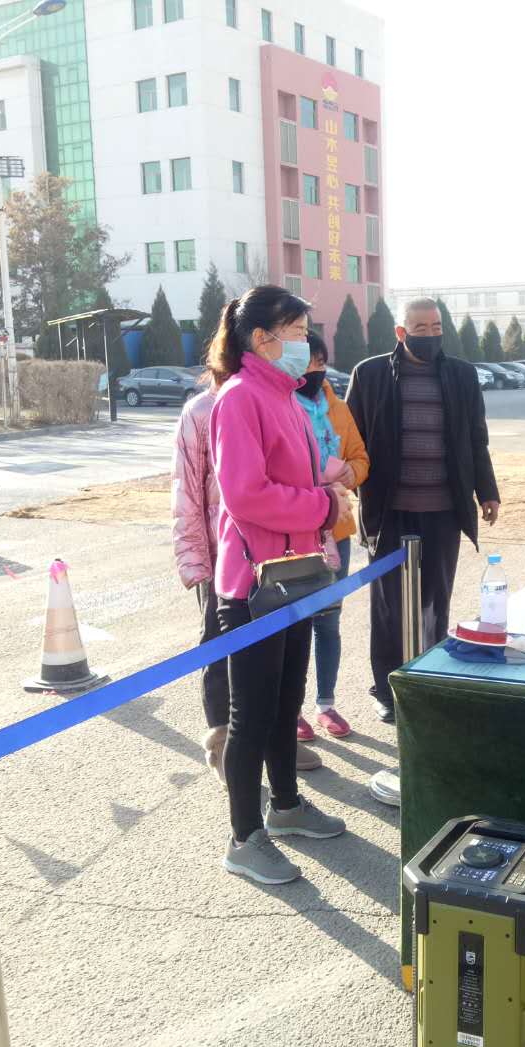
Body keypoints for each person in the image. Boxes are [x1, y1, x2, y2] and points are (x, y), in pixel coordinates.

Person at [207, 285, 354, 885]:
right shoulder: (239, 398)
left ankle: (287, 806)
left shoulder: (286, 395)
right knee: (251, 716)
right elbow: (246, 495)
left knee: (285, 703)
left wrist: (330, 485)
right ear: (262, 338)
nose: (304, 341)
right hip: (253, 585)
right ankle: (244, 838)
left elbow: (296, 473)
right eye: (294, 331)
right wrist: (323, 506)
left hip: (295, 572)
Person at [346, 297, 500, 722]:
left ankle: (428, 681)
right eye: (420, 328)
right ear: (401, 332)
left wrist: (487, 491)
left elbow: (477, 438)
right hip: (389, 513)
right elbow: (351, 441)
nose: (430, 335)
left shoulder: (461, 375)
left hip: (443, 512)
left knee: (434, 600)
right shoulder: (370, 374)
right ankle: (387, 689)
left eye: (436, 327)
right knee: (389, 607)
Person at [171, 380, 323, 777]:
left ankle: (279, 742)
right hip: (222, 558)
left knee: (280, 657)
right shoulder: (202, 410)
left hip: (278, 555)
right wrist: (194, 560)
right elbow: (188, 490)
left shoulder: (280, 402)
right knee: (221, 649)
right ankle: (223, 743)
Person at [293, 331, 370, 739]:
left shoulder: (338, 409)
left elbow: (360, 457)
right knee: (295, 627)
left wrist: (345, 475)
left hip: (336, 529)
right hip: (294, 534)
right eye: (306, 362)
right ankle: (291, 709)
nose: (314, 370)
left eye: (319, 362)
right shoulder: (280, 407)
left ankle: (326, 703)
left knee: (329, 621)